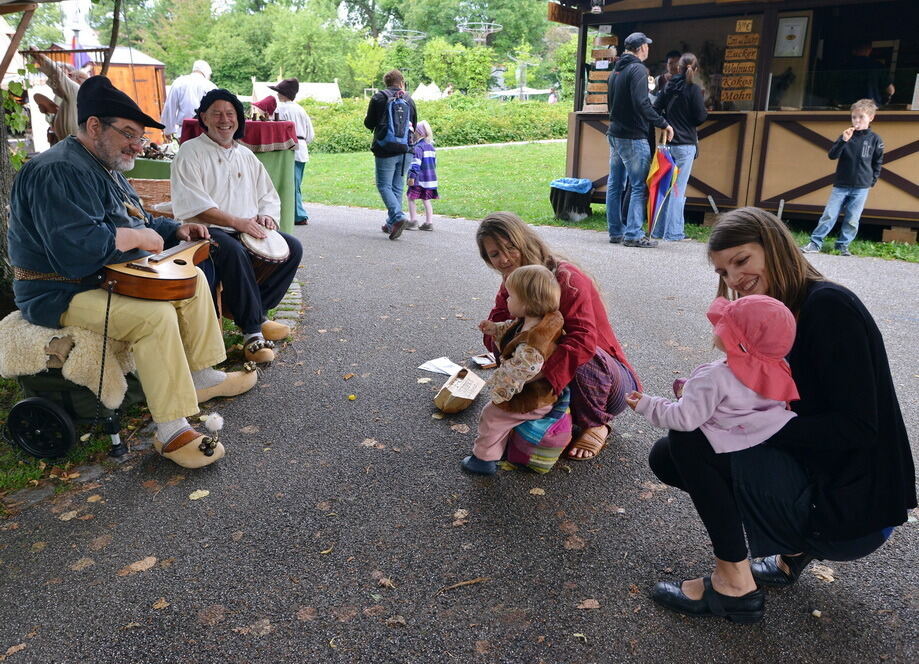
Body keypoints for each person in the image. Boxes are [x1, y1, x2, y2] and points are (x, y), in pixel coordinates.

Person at [647, 207, 915, 624]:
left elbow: (858, 428)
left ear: (774, 247)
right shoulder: (774, 313)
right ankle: (792, 551)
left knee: (692, 438)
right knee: (669, 453)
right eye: (724, 271)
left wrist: (746, 425)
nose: (734, 280)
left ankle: (733, 586)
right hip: (825, 476)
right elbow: (783, 399)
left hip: (854, 508)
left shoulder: (828, 307)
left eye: (742, 261)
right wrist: (720, 399)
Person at [6, 76, 258, 469]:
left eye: (138, 137)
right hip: (58, 291)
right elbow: (75, 251)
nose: (136, 145)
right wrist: (132, 235)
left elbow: (137, 220)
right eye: (128, 134)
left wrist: (175, 229)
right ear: (93, 127)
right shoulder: (55, 170)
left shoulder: (103, 166)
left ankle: (203, 377)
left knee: (191, 282)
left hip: (106, 276)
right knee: (153, 316)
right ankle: (171, 431)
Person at [477, 213, 641, 461]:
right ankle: (552, 414)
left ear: (525, 241)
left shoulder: (566, 277)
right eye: (495, 254)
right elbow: (496, 337)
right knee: (510, 340)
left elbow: (583, 342)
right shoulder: (512, 283)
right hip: (555, 387)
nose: (505, 259)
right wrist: (506, 341)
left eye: (510, 247)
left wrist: (534, 371)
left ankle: (596, 423)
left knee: (580, 349)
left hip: (609, 386)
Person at [170, 89, 303, 364]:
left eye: (230, 114)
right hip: (206, 231)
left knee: (293, 247)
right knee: (233, 251)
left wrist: (266, 216)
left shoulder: (245, 155)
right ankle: (252, 334)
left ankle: (257, 310)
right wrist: (238, 222)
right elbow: (196, 205)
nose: (224, 120)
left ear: (238, 119)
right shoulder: (190, 151)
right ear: (204, 117)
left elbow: (267, 194)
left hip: (246, 227)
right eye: (216, 113)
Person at [627, 295, 799, 457]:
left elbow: (684, 418)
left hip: (725, 442)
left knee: (677, 437)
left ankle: (691, 393)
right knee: (705, 393)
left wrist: (648, 405)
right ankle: (691, 391)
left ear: (736, 342)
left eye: (723, 326)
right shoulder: (781, 370)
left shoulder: (714, 378)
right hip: (759, 437)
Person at [462, 265, 565, 475]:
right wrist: (494, 329)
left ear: (526, 304)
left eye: (511, 296)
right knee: (498, 416)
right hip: (538, 393)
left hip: (530, 397)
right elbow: (511, 329)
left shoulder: (534, 340)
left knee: (492, 416)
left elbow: (522, 370)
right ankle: (504, 446)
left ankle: (483, 459)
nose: (507, 300)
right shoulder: (534, 321)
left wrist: (498, 388)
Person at [606, 32, 674, 248]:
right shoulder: (637, 70)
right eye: (647, 46)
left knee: (615, 184)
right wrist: (663, 123)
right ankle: (634, 234)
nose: (648, 50)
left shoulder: (616, 70)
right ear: (642, 48)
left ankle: (616, 231)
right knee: (638, 186)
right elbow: (642, 103)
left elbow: (611, 104)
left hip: (615, 133)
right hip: (633, 137)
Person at [801, 99, 883, 257]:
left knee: (853, 218)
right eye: (854, 117)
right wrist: (843, 141)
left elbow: (877, 162)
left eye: (861, 117)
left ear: (871, 118)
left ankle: (842, 246)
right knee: (829, 214)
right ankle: (815, 242)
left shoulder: (876, 140)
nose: (857, 121)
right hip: (841, 185)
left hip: (861, 186)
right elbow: (832, 155)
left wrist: (872, 180)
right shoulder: (846, 136)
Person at [651, 52, 707, 241]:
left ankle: (658, 231)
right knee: (677, 189)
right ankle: (674, 232)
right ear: (695, 69)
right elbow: (700, 117)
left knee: (665, 188)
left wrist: (666, 122)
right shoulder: (693, 90)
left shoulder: (667, 87)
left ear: (678, 68)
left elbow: (655, 109)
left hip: (668, 143)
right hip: (685, 145)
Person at [364, 69, 417, 240]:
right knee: (396, 186)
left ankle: (398, 216)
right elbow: (413, 125)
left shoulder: (379, 97)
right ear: (402, 82)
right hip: (406, 150)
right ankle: (390, 222)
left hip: (385, 148)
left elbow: (368, 123)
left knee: (383, 185)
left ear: (386, 83)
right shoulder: (408, 99)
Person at [270, 78, 314, 226]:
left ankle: (299, 215)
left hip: (289, 149)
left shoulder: (280, 109)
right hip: (302, 148)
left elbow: (275, 128)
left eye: (278, 92)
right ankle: (296, 212)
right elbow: (310, 134)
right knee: (296, 184)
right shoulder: (301, 109)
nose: (277, 95)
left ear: (284, 94)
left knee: (290, 185)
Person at [29, 50, 88, 142]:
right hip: (66, 141)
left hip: (72, 142)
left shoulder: (75, 90)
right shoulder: (79, 94)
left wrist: (42, 57)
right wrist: (49, 112)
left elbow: (57, 74)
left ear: (70, 74)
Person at [160, 60, 216, 142]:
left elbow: (170, 107)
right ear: (206, 72)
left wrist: (168, 130)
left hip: (184, 131)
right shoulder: (211, 86)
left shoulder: (179, 82)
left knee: (186, 153)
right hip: (206, 132)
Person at [405, 120, 438, 232]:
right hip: (430, 179)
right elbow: (434, 163)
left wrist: (411, 177)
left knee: (410, 198)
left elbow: (415, 163)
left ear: (418, 133)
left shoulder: (418, 148)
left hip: (418, 179)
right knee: (426, 199)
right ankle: (429, 223)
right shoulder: (431, 147)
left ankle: (413, 221)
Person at [840, 42, 895, 106]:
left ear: (853, 50)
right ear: (869, 50)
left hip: (847, 106)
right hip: (870, 107)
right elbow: (890, 90)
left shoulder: (844, 67)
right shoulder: (877, 66)